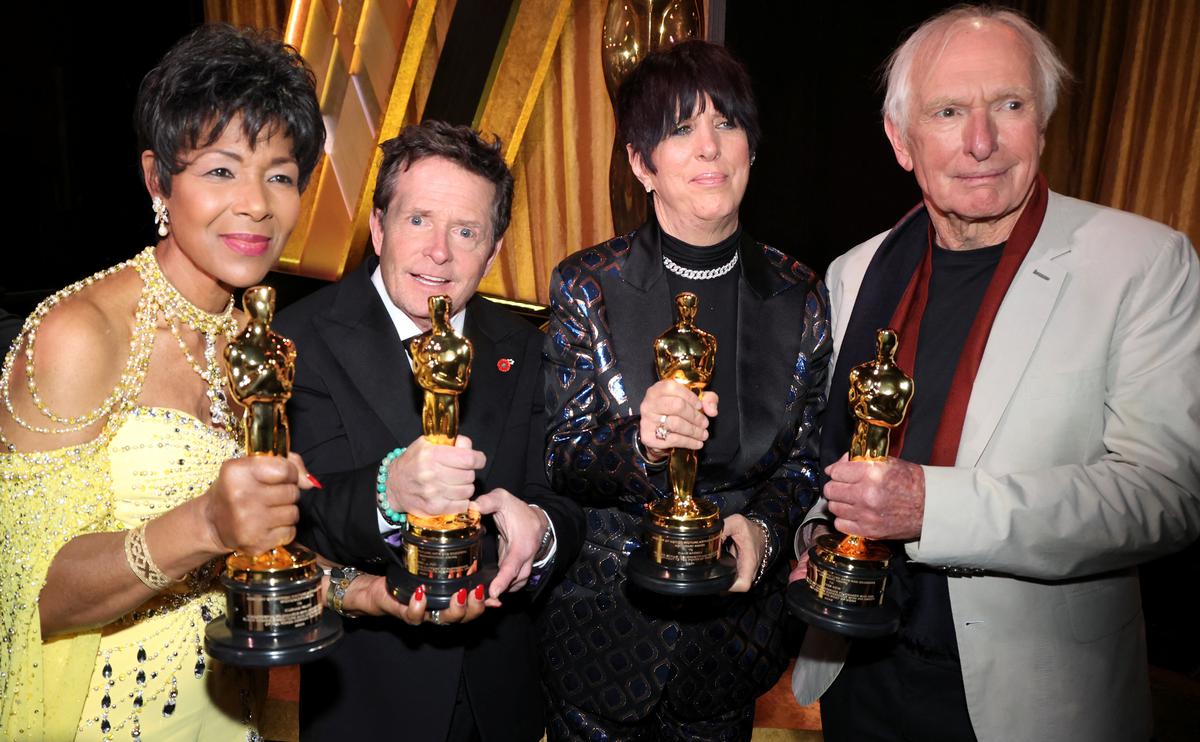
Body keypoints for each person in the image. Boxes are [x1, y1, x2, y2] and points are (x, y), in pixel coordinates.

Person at [790, 6, 1200, 742]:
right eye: (948, 111)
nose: (981, 142)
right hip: (860, 679)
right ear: (901, 141)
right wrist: (815, 542)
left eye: (1008, 106)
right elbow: (835, 459)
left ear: (1040, 123)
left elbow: (1165, 494)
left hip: (1034, 702)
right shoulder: (855, 272)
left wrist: (930, 508)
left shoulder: (1142, 263)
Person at [0, 24, 324, 740]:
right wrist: (205, 524)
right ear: (157, 179)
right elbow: (28, 598)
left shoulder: (255, 340)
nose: (256, 205)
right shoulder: (80, 335)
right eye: (220, 170)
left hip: (239, 714)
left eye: (279, 173)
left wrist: (361, 590)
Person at [541, 39, 831, 740]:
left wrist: (763, 532)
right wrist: (638, 441)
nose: (710, 148)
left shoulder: (799, 293)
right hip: (602, 641)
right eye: (680, 129)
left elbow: (807, 456)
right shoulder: (589, 284)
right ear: (642, 164)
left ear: (751, 149)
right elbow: (562, 454)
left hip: (730, 645)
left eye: (726, 124)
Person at [274, 121, 584, 742]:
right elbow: (305, 514)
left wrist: (541, 528)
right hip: (368, 703)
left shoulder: (524, 347)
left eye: (465, 232)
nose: (439, 252)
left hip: (504, 699)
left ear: (493, 251)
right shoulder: (299, 340)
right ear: (378, 228)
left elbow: (568, 494)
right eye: (419, 221)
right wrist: (391, 491)